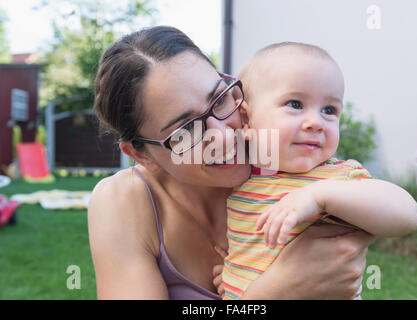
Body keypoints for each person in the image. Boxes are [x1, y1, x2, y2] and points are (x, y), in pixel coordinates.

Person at [88, 26, 375, 300]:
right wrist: (274, 293)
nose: (225, 137)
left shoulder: (290, 167)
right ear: (141, 154)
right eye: (187, 130)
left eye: (220, 99)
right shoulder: (125, 200)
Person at [219, 42, 417, 300]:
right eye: (295, 104)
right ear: (247, 120)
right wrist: (233, 272)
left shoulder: (337, 177)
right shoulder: (241, 179)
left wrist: (319, 196)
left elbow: (408, 216)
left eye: (329, 110)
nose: (315, 122)